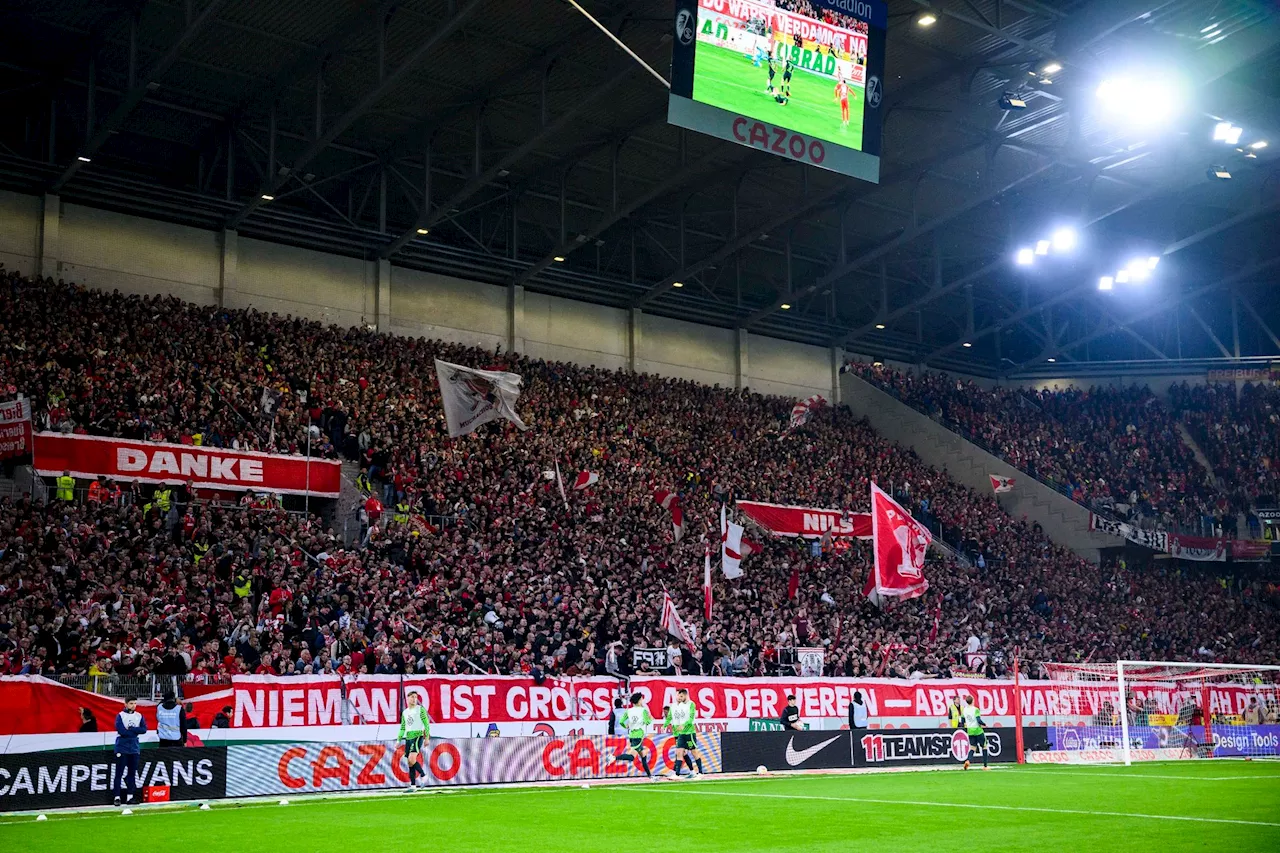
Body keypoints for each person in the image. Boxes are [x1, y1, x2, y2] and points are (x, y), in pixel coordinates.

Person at [112, 697, 147, 806]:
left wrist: (131, 730)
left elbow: (144, 729)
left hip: (134, 748)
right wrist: (134, 732)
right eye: (131, 703)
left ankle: (130, 797)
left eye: (135, 703)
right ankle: (117, 797)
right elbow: (121, 731)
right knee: (119, 773)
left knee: (132, 773)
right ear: (126, 704)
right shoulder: (120, 716)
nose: (133, 705)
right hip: (122, 747)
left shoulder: (139, 716)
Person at [613, 692, 654, 778]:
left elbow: (621, 722)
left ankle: (650, 776)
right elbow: (647, 722)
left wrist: (626, 726)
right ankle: (614, 758)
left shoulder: (628, 710)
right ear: (639, 700)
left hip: (632, 735)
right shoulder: (643, 710)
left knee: (643, 755)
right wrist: (650, 718)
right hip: (638, 736)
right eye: (641, 699)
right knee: (631, 757)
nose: (642, 700)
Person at [665, 688, 702, 779]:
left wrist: (683, 725)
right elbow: (672, 717)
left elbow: (691, 718)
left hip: (689, 732)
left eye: (681, 696)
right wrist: (665, 725)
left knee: (694, 752)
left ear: (686, 695)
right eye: (678, 696)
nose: (679, 698)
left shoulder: (691, 704)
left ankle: (700, 773)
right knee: (679, 752)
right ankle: (676, 774)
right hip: (681, 733)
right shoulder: (678, 706)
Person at [398, 690, 431, 791]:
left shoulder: (420, 709)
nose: (414, 699)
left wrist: (427, 738)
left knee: (412, 759)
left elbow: (426, 724)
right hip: (408, 737)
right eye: (412, 697)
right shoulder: (405, 712)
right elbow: (403, 727)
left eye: (415, 697)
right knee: (409, 762)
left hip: (417, 736)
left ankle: (424, 776)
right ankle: (413, 785)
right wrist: (398, 740)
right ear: (407, 698)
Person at [960, 695, 988, 770]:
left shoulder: (964, 710)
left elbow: (962, 721)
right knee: (984, 746)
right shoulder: (976, 709)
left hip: (970, 731)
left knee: (972, 748)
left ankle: (968, 760)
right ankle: (985, 766)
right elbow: (978, 720)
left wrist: (967, 724)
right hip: (978, 730)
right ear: (973, 701)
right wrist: (984, 724)